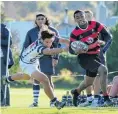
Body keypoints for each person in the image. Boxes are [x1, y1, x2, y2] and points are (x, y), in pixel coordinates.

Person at [4, 29, 68, 109]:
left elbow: (60, 39)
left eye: (50, 41)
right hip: (26, 64)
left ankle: (8, 79)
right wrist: (64, 49)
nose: (49, 43)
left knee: (26, 77)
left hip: (32, 61)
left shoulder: (46, 38)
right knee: (45, 79)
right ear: (42, 40)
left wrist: (70, 43)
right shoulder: (39, 47)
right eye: (47, 42)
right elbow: (49, 52)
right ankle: (55, 102)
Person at [23, 13, 69, 107]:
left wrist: (55, 58)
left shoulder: (53, 31)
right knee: (36, 79)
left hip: (48, 57)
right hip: (34, 59)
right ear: (36, 21)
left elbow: (57, 44)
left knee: (48, 79)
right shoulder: (30, 32)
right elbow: (26, 46)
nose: (40, 20)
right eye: (38, 19)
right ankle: (35, 102)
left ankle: (52, 102)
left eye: (42, 19)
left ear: (46, 20)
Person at [69, 10, 113, 107]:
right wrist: (77, 50)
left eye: (81, 16)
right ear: (75, 20)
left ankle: (76, 92)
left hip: (96, 55)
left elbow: (108, 36)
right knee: (103, 69)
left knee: (89, 82)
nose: (80, 18)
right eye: (77, 17)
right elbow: (71, 50)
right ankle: (106, 98)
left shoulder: (95, 24)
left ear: (85, 16)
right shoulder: (74, 33)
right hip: (84, 57)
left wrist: (102, 42)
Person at [1, 23, 14, 106]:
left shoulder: (4, 28)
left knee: (3, 80)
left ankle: (5, 102)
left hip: (2, 58)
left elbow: (9, 42)